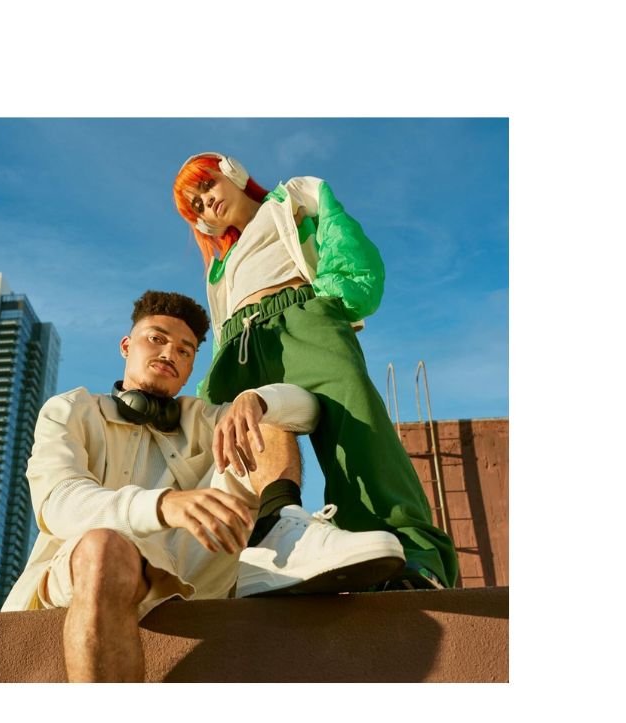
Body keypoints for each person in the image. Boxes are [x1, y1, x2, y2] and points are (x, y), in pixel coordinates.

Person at [2, 290, 406, 682]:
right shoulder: (71, 409)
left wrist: (258, 399)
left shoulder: (205, 418)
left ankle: (282, 530)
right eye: (156, 339)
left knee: (258, 421)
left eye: (185, 350)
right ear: (126, 346)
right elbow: (59, 501)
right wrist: (164, 505)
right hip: (89, 570)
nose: (170, 354)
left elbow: (308, 410)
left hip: (202, 573)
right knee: (104, 547)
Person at [172, 152, 458, 591]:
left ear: (232, 172)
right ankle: (239, 570)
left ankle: (409, 557)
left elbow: (342, 239)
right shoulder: (219, 266)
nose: (206, 202)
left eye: (207, 185)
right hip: (238, 346)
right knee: (221, 451)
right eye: (196, 204)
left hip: (300, 319)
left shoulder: (292, 199)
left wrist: (329, 299)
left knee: (356, 425)